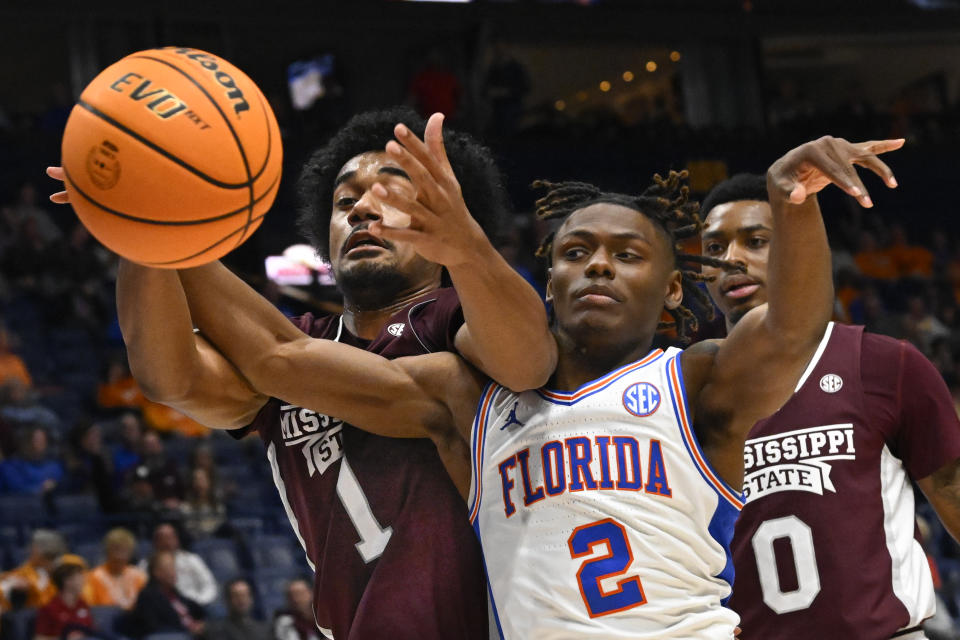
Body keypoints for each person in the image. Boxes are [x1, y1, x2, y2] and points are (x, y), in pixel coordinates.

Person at [144, 136, 900, 637]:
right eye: (576, 250)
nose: (598, 266)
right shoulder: (467, 400)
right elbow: (280, 362)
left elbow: (792, 331)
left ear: (673, 290)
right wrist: (153, 226)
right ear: (548, 277)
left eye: (627, 254)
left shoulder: (694, 381)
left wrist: (791, 203)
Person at [47, 107, 555, 639]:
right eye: (344, 201)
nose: (362, 207)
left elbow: (526, 359)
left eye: (391, 193)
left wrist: (168, 221)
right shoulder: (303, 338)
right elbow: (168, 377)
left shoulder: (453, 321)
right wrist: (139, 231)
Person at [699, 172, 960, 639]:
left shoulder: (884, 364)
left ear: (800, 250)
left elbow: (951, 492)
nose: (732, 259)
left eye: (756, 241)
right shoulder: (679, 388)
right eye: (714, 249)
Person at [127, 551, 205, 639]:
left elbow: (199, 611)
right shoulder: (147, 597)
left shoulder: (175, 594)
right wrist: (189, 630)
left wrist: (201, 624)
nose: (174, 572)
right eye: (169, 568)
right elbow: (153, 627)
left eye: (174, 568)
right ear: (157, 572)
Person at [139, 523, 217, 606]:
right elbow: (141, 589)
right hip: (160, 606)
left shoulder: (192, 559)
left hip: (194, 603)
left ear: (176, 539)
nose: (167, 542)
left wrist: (198, 602)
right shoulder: (145, 564)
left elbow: (208, 585)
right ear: (155, 542)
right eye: (162, 538)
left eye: (170, 537)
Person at [0, 530, 66, 612]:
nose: (28, 550)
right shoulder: (28, 570)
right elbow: (8, 581)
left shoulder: (65, 570)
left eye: (33, 547)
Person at [34, 555, 96, 640]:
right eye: (79, 577)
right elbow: (39, 638)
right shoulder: (49, 609)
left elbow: (92, 631)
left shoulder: (82, 604)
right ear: (67, 581)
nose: (83, 581)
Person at [83, 528, 147, 610]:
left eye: (124, 550)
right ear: (107, 551)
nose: (119, 555)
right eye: (116, 549)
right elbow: (91, 607)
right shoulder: (93, 577)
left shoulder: (139, 576)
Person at [203, 578, 269, 640]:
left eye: (245, 595)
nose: (242, 600)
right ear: (227, 600)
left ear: (251, 599)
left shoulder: (264, 631)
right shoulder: (214, 631)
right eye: (236, 595)